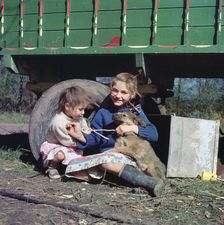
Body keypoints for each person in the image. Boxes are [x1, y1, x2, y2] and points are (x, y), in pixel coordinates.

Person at [67, 72, 164, 197]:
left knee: (106, 163)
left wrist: (133, 128)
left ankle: (150, 183)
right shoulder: (103, 112)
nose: (118, 95)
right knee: (74, 168)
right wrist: (79, 136)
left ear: (132, 94)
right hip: (109, 155)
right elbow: (96, 138)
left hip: (129, 156)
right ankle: (129, 180)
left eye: (124, 92)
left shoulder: (135, 112)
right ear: (110, 89)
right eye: (115, 90)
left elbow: (153, 134)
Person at [40, 86, 93, 179]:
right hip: (58, 145)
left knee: (74, 155)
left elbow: (83, 126)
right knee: (61, 155)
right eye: (80, 109)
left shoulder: (78, 118)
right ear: (67, 106)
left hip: (72, 145)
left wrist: (86, 131)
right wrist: (83, 141)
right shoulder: (59, 122)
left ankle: (71, 169)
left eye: (84, 109)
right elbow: (66, 141)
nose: (83, 112)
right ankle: (52, 166)